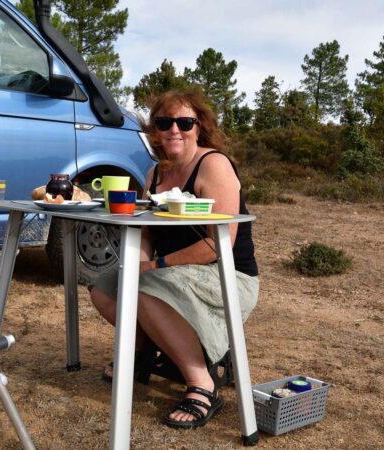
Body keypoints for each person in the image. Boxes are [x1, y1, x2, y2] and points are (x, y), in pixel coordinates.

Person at [89, 88, 259, 429]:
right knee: (104, 287)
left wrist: (152, 268)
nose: (174, 130)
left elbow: (218, 245)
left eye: (185, 122)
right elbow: (147, 232)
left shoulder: (213, 165)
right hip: (172, 275)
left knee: (143, 287)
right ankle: (141, 352)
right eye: (165, 122)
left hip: (226, 276)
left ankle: (201, 383)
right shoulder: (155, 174)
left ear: (200, 126)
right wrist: (137, 264)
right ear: (155, 129)